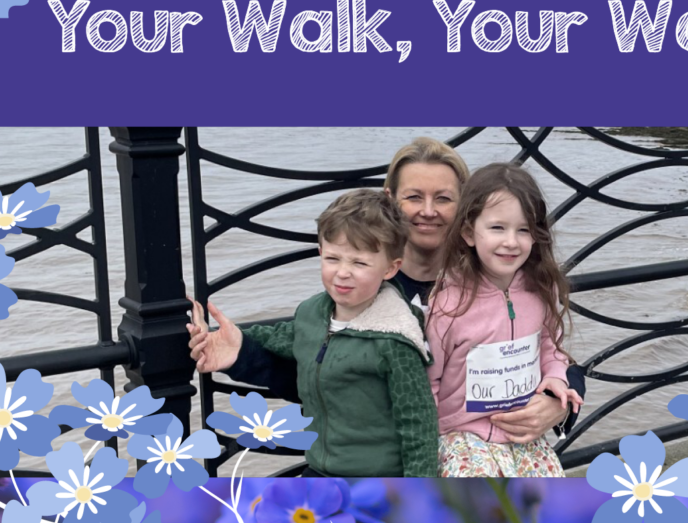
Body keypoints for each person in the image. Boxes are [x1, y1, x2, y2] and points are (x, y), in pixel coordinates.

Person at [191, 137, 583, 451]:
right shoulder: (359, 287)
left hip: (488, 447)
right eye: (413, 197)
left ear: (466, 208)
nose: (427, 211)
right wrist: (240, 355)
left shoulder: (504, 280)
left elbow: (548, 349)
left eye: (443, 198)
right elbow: (322, 373)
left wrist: (558, 405)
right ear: (390, 199)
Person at [188, 189, 437, 477]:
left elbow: (419, 426)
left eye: (360, 263)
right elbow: (281, 337)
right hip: (319, 470)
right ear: (320, 252)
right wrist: (235, 344)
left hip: (377, 480)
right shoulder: (311, 313)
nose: (343, 272)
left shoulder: (396, 341)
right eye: (333, 258)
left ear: (391, 268)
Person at [426, 162, 583, 477]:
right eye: (497, 228)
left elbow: (549, 346)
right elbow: (429, 381)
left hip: (524, 431)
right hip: (462, 434)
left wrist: (555, 381)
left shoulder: (541, 287)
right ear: (469, 233)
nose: (511, 241)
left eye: (523, 229)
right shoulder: (446, 304)